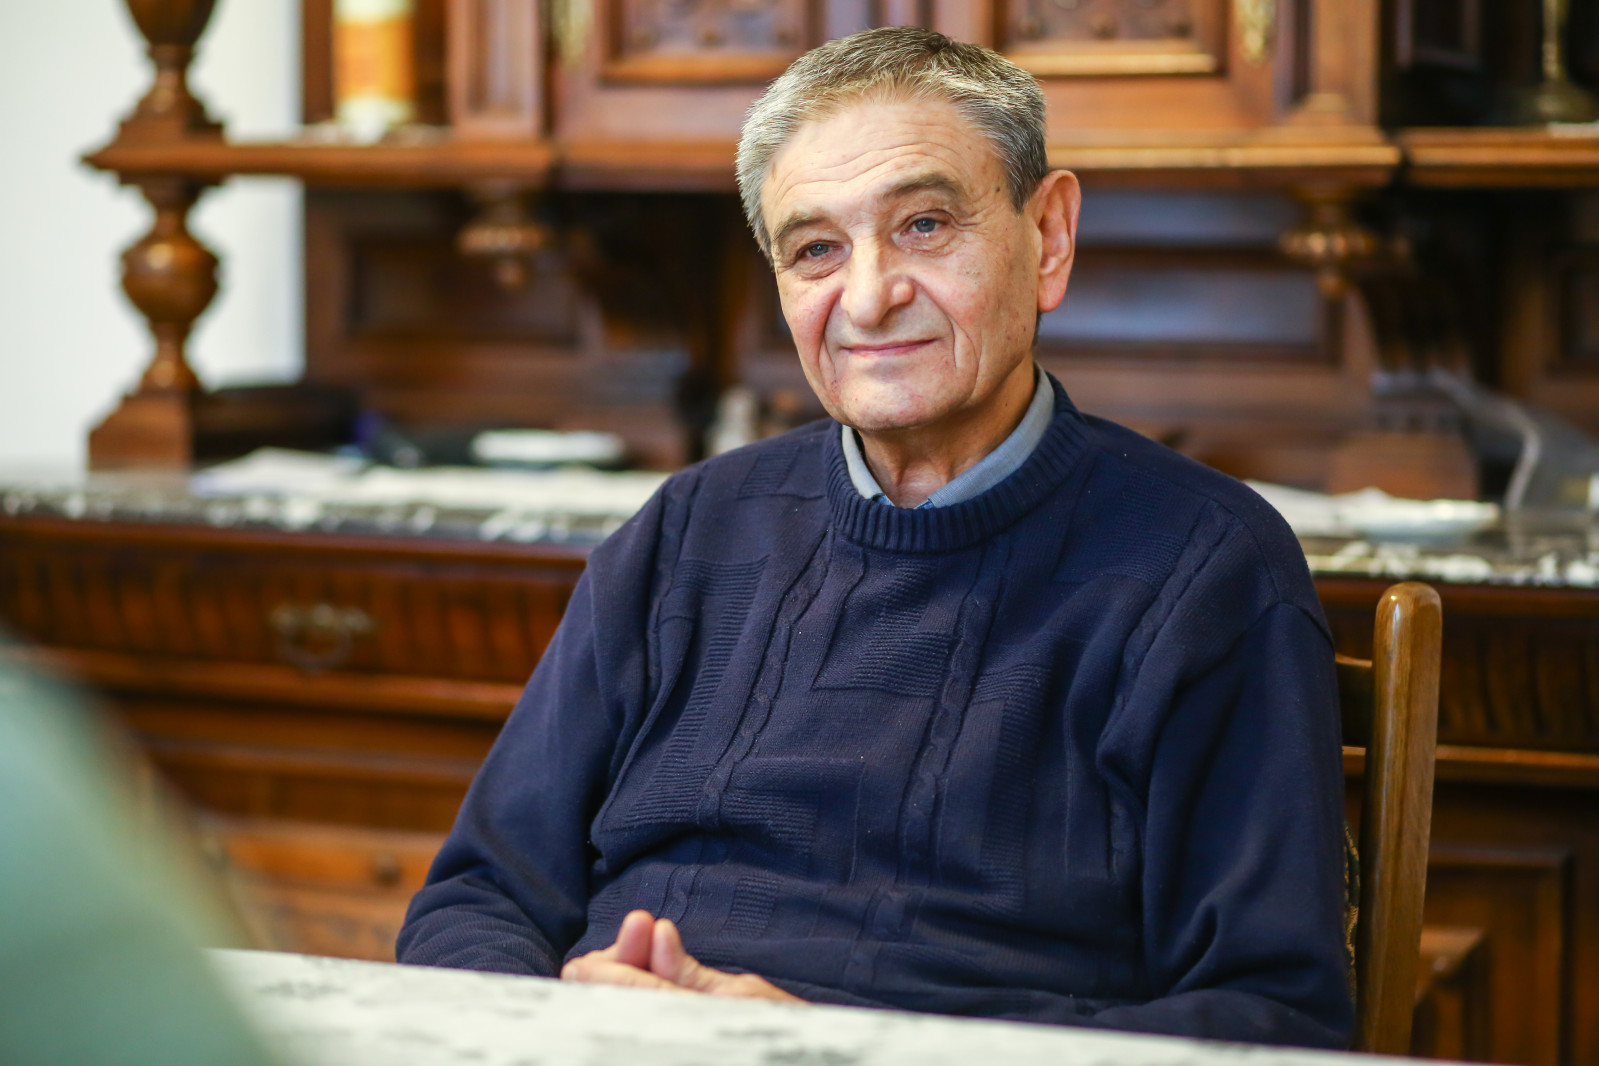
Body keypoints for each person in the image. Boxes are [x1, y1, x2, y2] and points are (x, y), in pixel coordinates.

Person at [398, 26, 1353, 1050]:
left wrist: (826, 1045)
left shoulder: (1205, 568)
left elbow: (1272, 1022)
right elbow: (475, 900)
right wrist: (546, 1027)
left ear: (1048, 236)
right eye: (815, 249)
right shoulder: (683, 533)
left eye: (924, 226)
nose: (867, 297)